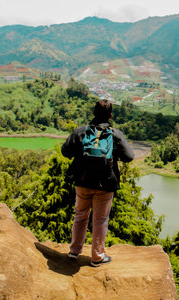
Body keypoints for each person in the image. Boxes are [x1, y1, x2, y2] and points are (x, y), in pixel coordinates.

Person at [61, 99, 134, 267]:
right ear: (110, 115)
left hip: (83, 181)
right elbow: (129, 157)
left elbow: (65, 151)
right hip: (105, 185)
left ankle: (74, 252)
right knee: (100, 219)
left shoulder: (81, 132)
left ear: (93, 113)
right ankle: (97, 256)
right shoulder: (115, 134)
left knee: (80, 215)